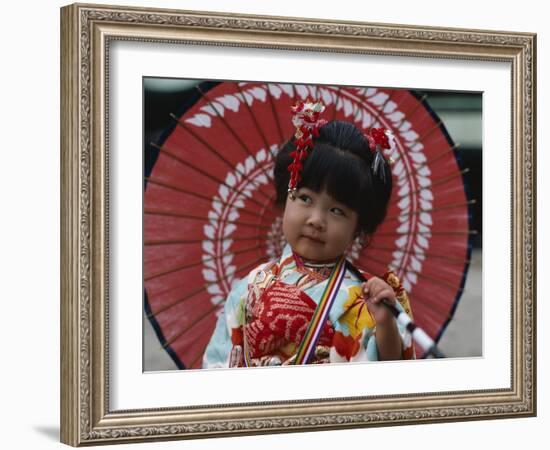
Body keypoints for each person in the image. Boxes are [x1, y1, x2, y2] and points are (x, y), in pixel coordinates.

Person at [202, 100, 414, 368]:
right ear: (284, 198)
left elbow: (393, 376)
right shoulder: (248, 289)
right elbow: (218, 366)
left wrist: (385, 324)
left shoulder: (371, 296)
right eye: (305, 198)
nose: (316, 220)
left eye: (337, 211)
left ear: (358, 227)